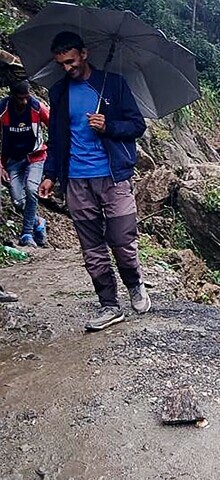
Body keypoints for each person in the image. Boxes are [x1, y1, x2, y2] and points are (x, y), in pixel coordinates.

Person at [38, 31, 151, 331]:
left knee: (122, 239)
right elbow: (57, 139)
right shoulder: (59, 92)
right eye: (61, 63)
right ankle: (109, 305)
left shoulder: (113, 84)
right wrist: (50, 175)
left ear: (84, 54)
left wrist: (108, 125)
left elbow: (137, 126)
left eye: (71, 61)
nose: (67, 68)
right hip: (76, 179)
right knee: (92, 248)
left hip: (113, 176)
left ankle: (134, 283)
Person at [0, 80, 49, 247]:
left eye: (27, 97)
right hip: (13, 159)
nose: (25, 101)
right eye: (21, 98)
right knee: (17, 200)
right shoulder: (3, 109)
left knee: (31, 189)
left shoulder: (37, 107)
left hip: (36, 156)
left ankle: (27, 233)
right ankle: (38, 222)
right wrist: (0, 166)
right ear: (12, 96)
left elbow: (55, 127)